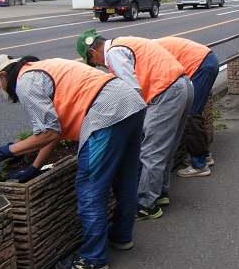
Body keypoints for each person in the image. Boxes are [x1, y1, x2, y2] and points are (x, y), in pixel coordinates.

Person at [0, 54, 146, 269]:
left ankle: (93, 258)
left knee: (89, 186)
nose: (1, 93)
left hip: (106, 111)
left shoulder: (25, 82)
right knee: (125, 178)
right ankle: (121, 236)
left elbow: (47, 132)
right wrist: (34, 168)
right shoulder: (41, 69)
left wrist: (3, 151)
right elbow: (53, 132)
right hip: (129, 102)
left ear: (3, 75)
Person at [75, 29, 193, 220]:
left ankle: (147, 204)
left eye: (93, 62)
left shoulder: (113, 53)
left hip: (165, 93)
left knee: (151, 151)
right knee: (166, 148)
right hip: (183, 86)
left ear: (92, 52)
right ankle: (160, 194)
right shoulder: (124, 41)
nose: (99, 66)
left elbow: (131, 89)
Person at [155, 36, 219, 178]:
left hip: (201, 66)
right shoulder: (150, 46)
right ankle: (204, 155)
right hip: (206, 60)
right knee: (194, 113)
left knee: (191, 115)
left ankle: (200, 164)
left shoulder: (148, 56)